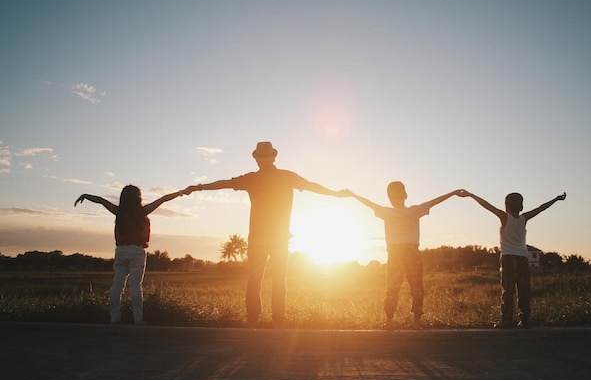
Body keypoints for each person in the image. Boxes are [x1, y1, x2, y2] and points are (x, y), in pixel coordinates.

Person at [184, 141, 348, 328]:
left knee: (255, 279)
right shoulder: (287, 176)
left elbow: (224, 184)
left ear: (256, 159)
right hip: (279, 238)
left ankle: (252, 320)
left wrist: (199, 187)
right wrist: (335, 194)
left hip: (258, 238)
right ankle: (278, 321)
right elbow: (312, 186)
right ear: (274, 157)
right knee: (279, 278)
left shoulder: (251, 178)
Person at [347, 182, 464, 330]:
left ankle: (389, 321)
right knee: (416, 286)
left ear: (389, 197)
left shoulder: (386, 212)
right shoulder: (414, 211)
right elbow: (435, 201)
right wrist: (453, 192)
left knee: (392, 287)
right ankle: (416, 321)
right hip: (411, 252)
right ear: (406, 195)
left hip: (395, 252)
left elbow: (369, 203)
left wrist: (353, 195)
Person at [74, 185, 184, 324]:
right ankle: (138, 320)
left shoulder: (119, 212)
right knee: (135, 285)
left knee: (117, 285)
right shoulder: (142, 212)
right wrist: (181, 192)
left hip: (121, 250)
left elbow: (101, 200)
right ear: (138, 198)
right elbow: (163, 199)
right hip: (137, 251)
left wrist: (85, 195)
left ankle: (114, 319)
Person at [459, 190, 566, 329]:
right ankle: (525, 319)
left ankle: (507, 320)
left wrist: (471, 195)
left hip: (508, 258)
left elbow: (487, 205)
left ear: (506, 205)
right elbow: (540, 208)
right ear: (521, 206)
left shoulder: (504, 217)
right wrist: (556, 199)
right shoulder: (524, 218)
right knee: (524, 289)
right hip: (523, 258)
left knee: (508, 290)